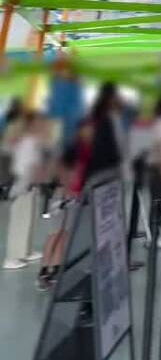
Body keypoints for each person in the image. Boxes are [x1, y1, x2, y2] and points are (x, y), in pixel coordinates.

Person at [36, 117, 93, 291]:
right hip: (62, 195)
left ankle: (56, 268)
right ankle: (44, 271)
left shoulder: (87, 148)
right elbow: (60, 169)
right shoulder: (72, 147)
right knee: (55, 233)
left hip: (75, 195)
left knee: (65, 233)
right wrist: (66, 189)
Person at [3, 111, 44, 271]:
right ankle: (12, 257)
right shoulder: (24, 141)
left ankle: (25, 250)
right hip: (22, 183)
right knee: (19, 219)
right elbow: (22, 165)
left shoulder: (31, 140)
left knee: (29, 218)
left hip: (30, 182)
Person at [85, 82, 122, 180]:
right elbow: (118, 143)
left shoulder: (94, 114)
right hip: (108, 166)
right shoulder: (112, 116)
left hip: (95, 163)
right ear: (111, 97)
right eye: (117, 95)